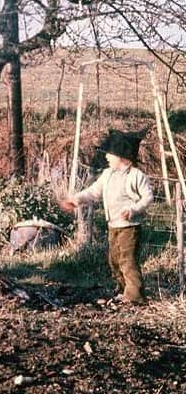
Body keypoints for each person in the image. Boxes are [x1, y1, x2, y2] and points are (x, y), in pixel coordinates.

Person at [60, 129, 153, 304]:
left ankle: (135, 295)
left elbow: (148, 197)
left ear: (123, 157)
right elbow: (94, 192)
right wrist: (77, 199)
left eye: (110, 154)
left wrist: (133, 209)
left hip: (129, 227)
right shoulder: (107, 174)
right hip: (113, 225)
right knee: (114, 260)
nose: (107, 157)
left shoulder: (136, 176)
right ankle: (123, 289)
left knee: (128, 259)